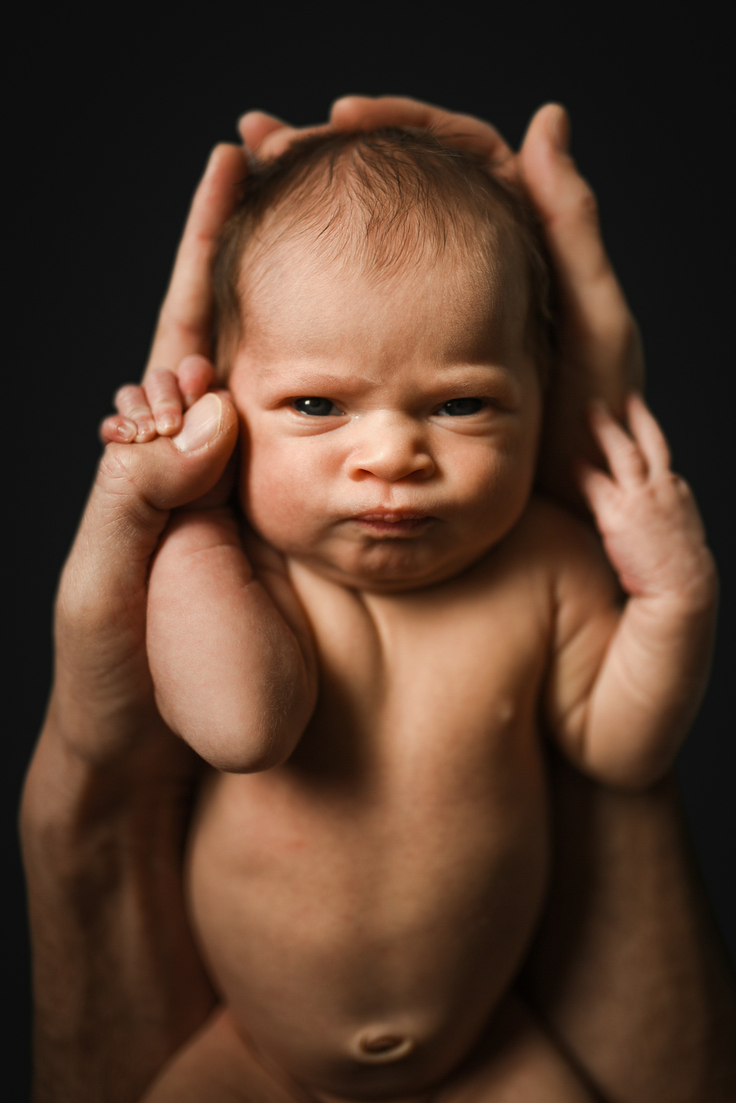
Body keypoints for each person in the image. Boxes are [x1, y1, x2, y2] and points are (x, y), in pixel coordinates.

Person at [21, 97, 736, 1103]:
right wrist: (184, 512)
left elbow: (623, 748)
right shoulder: (254, 567)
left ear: (541, 395)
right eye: (316, 405)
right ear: (223, 406)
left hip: (491, 1057)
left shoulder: (547, 566)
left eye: (462, 402)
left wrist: (673, 593)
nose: (393, 453)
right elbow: (238, 724)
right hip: (251, 1064)